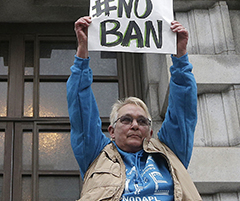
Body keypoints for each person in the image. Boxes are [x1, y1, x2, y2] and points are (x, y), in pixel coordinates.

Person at [67, 16, 200, 201]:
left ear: (150, 132)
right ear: (111, 131)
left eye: (142, 121)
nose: (135, 125)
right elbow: (81, 108)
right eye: (126, 120)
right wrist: (82, 52)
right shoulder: (96, 154)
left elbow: (183, 109)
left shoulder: (169, 152)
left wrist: (180, 57)